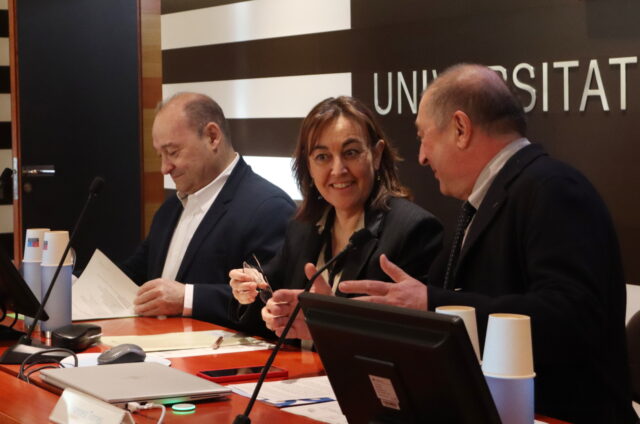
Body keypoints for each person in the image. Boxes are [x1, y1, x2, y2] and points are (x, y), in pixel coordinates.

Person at [329, 64, 637, 423]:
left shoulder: (553, 189)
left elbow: (569, 319)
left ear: (460, 129)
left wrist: (433, 304)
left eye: (424, 136)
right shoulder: (483, 202)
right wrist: (338, 327)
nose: (422, 155)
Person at [229, 96, 443, 339]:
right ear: (308, 165)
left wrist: (331, 326)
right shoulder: (303, 227)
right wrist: (251, 291)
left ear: (376, 155)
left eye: (351, 153)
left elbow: (412, 339)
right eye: (322, 157)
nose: (338, 170)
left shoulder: (413, 230)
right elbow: (271, 306)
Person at [119, 92, 295, 329]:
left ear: (212, 137)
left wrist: (187, 298)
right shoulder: (170, 208)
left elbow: (270, 301)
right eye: (160, 155)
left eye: (173, 152)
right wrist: (75, 281)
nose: (164, 168)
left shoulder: (268, 207)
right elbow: (135, 272)